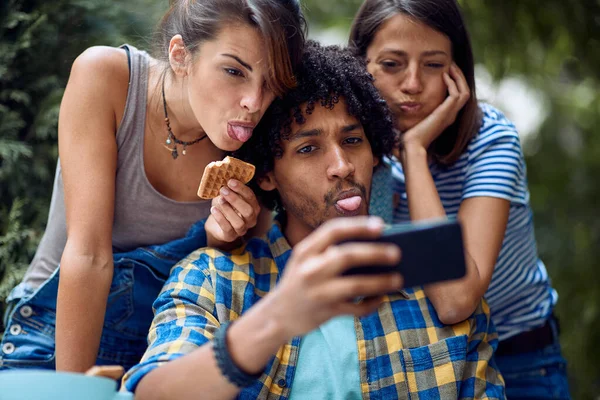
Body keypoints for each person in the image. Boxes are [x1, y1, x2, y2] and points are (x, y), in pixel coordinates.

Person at [121, 42, 506, 400]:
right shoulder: (214, 280)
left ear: (374, 153)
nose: (341, 166)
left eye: (353, 141)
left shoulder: (434, 281)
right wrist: (277, 316)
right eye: (308, 148)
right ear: (267, 175)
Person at [0, 0, 306, 373]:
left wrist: (224, 239)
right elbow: (89, 255)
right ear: (180, 55)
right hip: (53, 338)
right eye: (233, 71)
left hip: (168, 348)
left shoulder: (259, 142)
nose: (254, 103)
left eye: (270, 82)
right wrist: (76, 388)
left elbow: (229, 284)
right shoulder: (107, 79)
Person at [349, 0, 570, 398]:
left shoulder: (492, 142)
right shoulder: (352, 146)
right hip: (422, 361)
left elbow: (455, 300)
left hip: (519, 359)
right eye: (392, 64)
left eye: (433, 64)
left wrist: (414, 153)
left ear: (457, 72)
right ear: (360, 65)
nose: (413, 84)